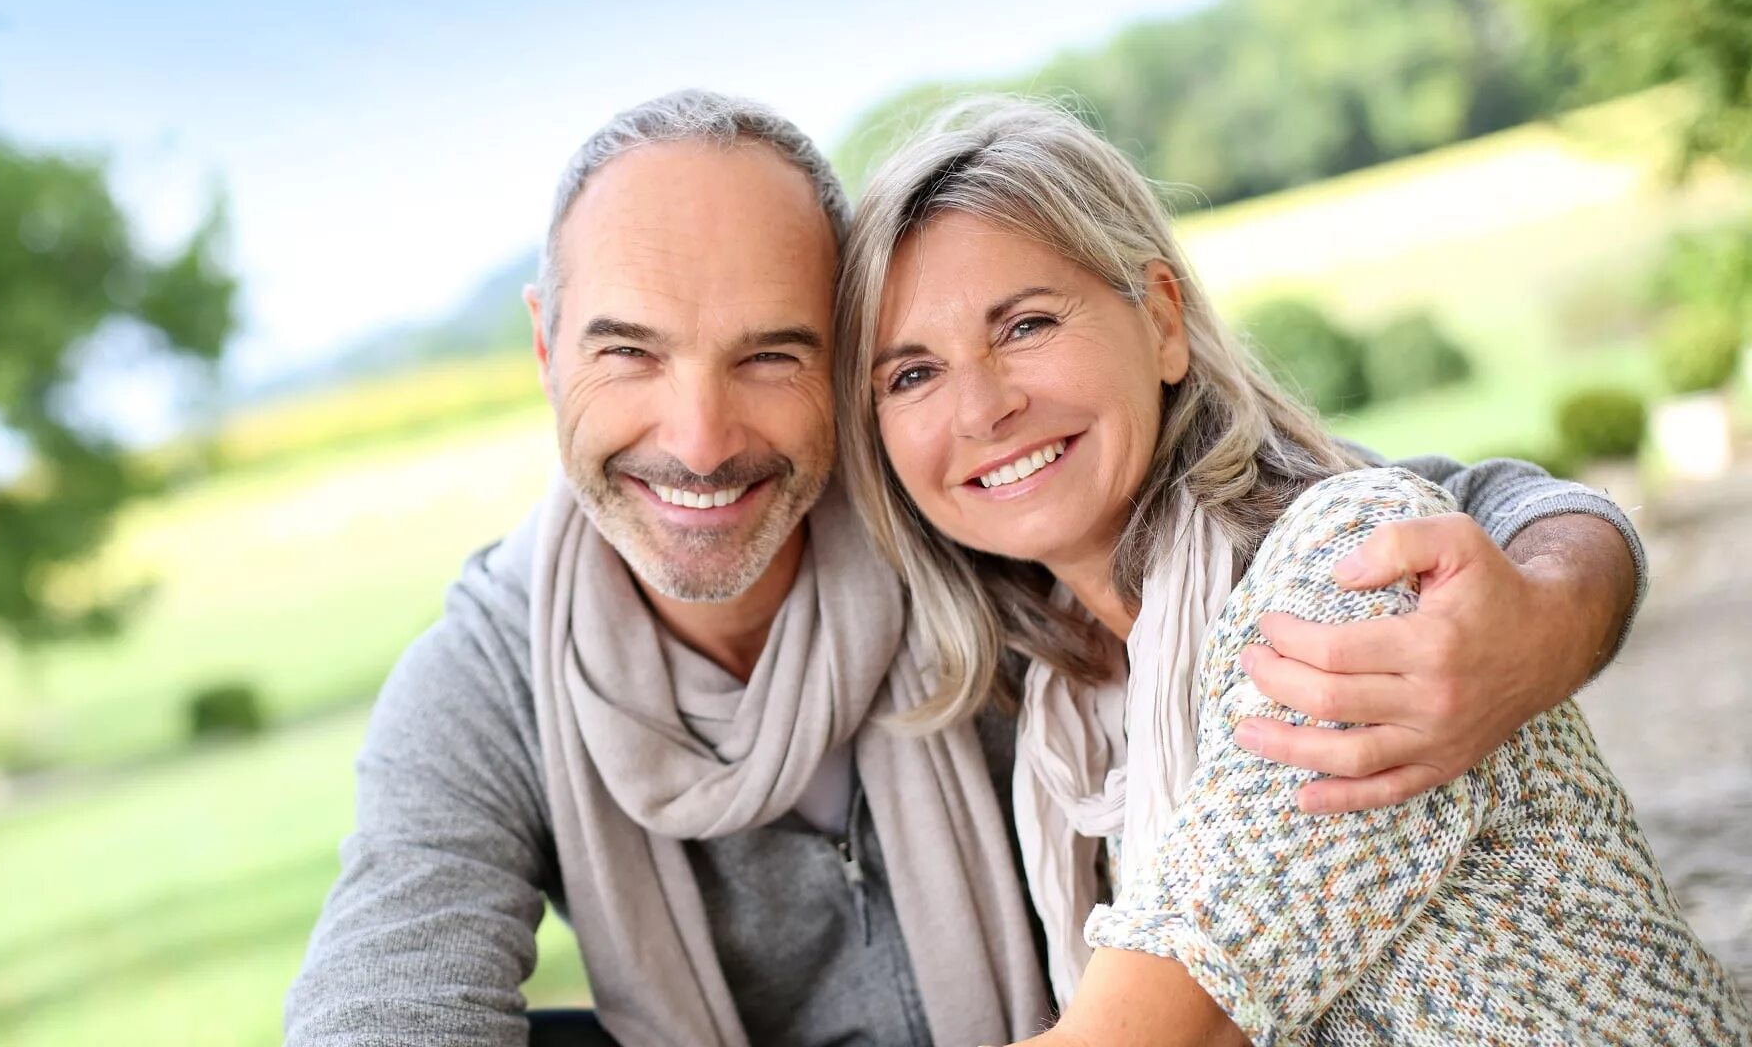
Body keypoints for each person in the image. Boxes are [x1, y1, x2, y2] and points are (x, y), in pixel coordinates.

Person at [284, 91, 1651, 1047]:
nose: (698, 440)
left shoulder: (973, 540)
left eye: (770, 353)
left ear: (837, 371)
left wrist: (1548, 608)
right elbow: (381, 1009)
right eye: (628, 351)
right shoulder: (497, 674)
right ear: (544, 348)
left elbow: (1437, 513)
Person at [834, 96, 1749, 1046]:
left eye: (1024, 326)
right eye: (911, 375)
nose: (981, 408)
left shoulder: (1342, 581)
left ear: (1162, 323)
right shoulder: (1069, 703)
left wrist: (1565, 596)